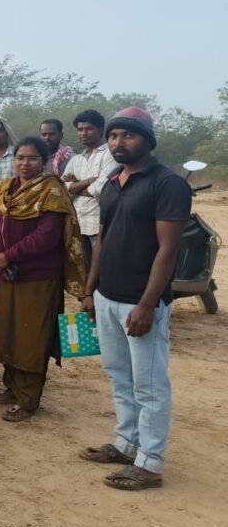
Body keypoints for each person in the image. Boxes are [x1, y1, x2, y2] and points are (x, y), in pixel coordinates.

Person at [80, 108, 192, 491]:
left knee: (149, 384)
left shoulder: (168, 184)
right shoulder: (113, 181)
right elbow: (102, 240)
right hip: (107, 296)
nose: (118, 142)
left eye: (128, 135)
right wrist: (90, 290)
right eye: (113, 136)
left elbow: (168, 250)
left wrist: (147, 304)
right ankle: (127, 444)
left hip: (141, 302)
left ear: (148, 140)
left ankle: (151, 463)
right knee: (119, 376)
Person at [0, 136, 86, 422]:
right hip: (5, 274)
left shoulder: (52, 191)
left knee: (31, 337)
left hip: (38, 278)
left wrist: (9, 256)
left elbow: (47, 236)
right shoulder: (3, 190)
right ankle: (12, 388)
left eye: (32, 158)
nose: (25, 163)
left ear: (44, 161)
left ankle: (28, 399)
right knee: (7, 332)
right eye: (20, 158)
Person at [62, 109, 117, 272]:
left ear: (100, 130)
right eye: (80, 129)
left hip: (99, 225)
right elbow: (62, 190)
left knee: (102, 271)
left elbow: (101, 188)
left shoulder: (111, 154)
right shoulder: (75, 160)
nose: (83, 133)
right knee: (82, 272)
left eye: (88, 129)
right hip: (78, 224)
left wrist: (75, 185)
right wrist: (86, 181)